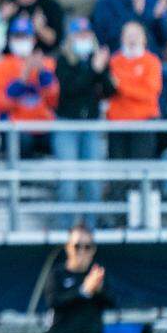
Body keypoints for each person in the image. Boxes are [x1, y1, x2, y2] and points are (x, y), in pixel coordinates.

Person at [54, 18, 112, 210]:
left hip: (91, 122)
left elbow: (110, 90)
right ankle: (66, 229)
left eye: (86, 33)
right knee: (68, 182)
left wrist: (102, 70)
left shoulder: (97, 59)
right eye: (79, 34)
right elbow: (70, 89)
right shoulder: (62, 60)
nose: (83, 37)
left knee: (93, 182)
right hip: (67, 124)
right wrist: (92, 69)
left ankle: (91, 228)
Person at [107, 21, 161, 159]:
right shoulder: (113, 61)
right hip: (117, 123)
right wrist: (134, 87)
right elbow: (107, 89)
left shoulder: (152, 62)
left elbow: (149, 92)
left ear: (144, 38)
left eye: (136, 34)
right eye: (128, 34)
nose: (132, 38)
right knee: (118, 172)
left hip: (143, 122)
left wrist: (122, 86)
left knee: (141, 168)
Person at [0, 17, 59, 122]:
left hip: (41, 125)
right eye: (17, 36)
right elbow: (1, 103)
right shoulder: (0, 65)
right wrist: (21, 81)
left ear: (34, 40)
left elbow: (54, 100)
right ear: (10, 40)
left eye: (25, 36)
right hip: (13, 126)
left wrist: (43, 73)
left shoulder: (47, 63)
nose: (21, 40)